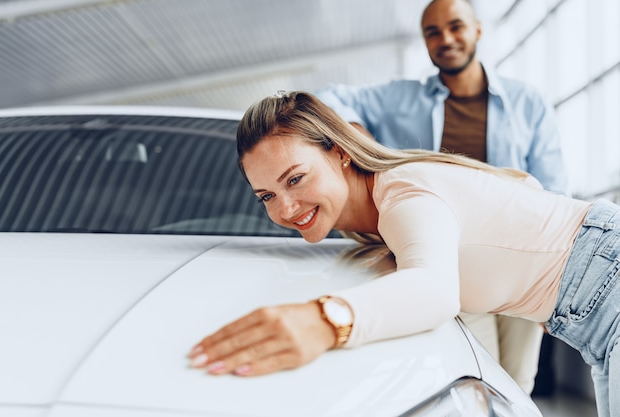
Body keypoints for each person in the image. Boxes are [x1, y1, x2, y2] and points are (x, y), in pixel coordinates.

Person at [188, 91, 620, 417]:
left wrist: (321, 319)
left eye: (296, 179)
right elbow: (526, 193)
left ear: (339, 152)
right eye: (266, 195)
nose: (284, 208)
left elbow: (434, 291)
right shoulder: (381, 221)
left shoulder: (403, 191)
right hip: (593, 323)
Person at [313, 0, 570, 394]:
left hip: (525, 259)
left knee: (518, 382)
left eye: (455, 27)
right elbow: (328, 96)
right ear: (425, 42)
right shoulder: (402, 98)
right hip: (456, 263)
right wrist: (355, 131)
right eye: (433, 32)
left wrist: (562, 280)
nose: (445, 38)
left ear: (478, 31)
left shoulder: (526, 103)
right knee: (477, 378)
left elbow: (553, 190)